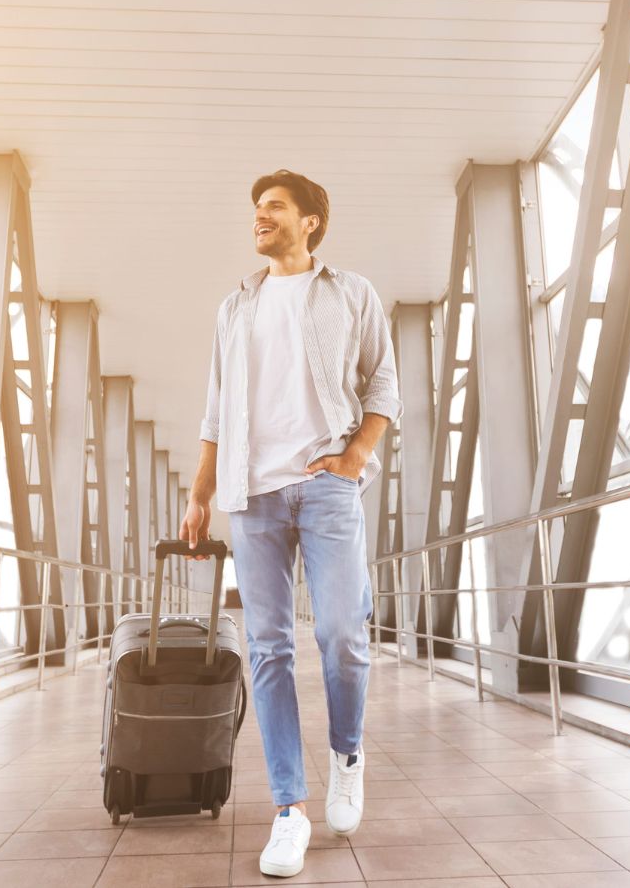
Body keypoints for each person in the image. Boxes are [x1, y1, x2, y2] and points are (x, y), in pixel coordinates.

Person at [181, 170, 401, 878]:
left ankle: (347, 752)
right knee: (269, 648)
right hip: (254, 495)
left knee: (341, 634)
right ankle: (288, 810)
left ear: (311, 223)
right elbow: (217, 409)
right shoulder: (235, 306)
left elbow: (382, 383)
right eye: (255, 209)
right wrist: (200, 493)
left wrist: (356, 454)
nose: (259, 217)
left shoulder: (351, 293)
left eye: (274, 207)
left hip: (326, 487)